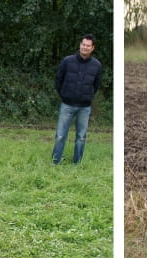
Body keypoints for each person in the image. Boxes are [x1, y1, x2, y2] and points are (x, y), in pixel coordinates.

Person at [52, 34, 103, 165]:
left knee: (81, 137)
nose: (85, 47)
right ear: (80, 45)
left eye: (88, 46)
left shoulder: (97, 65)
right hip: (67, 105)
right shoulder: (67, 61)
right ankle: (55, 161)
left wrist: (88, 97)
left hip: (84, 108)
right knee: (60, 136)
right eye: (83, 44)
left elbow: (96, 85)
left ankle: (77, 163)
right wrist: (64, 95)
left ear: (92, 48)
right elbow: (58, 79)